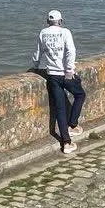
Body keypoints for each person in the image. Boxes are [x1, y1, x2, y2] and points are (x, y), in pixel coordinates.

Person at [32, 10, 84, 154]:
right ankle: (72, 125)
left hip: (52, 75)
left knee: (60, 109)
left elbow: (38, 52)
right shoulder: (65, 32)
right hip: (65, 74)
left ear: (48, 21)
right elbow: (71, 51)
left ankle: (66, 143)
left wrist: (35, 67)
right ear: (60, 21)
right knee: (80, 95)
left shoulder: (43, 33)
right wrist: (69, 69)